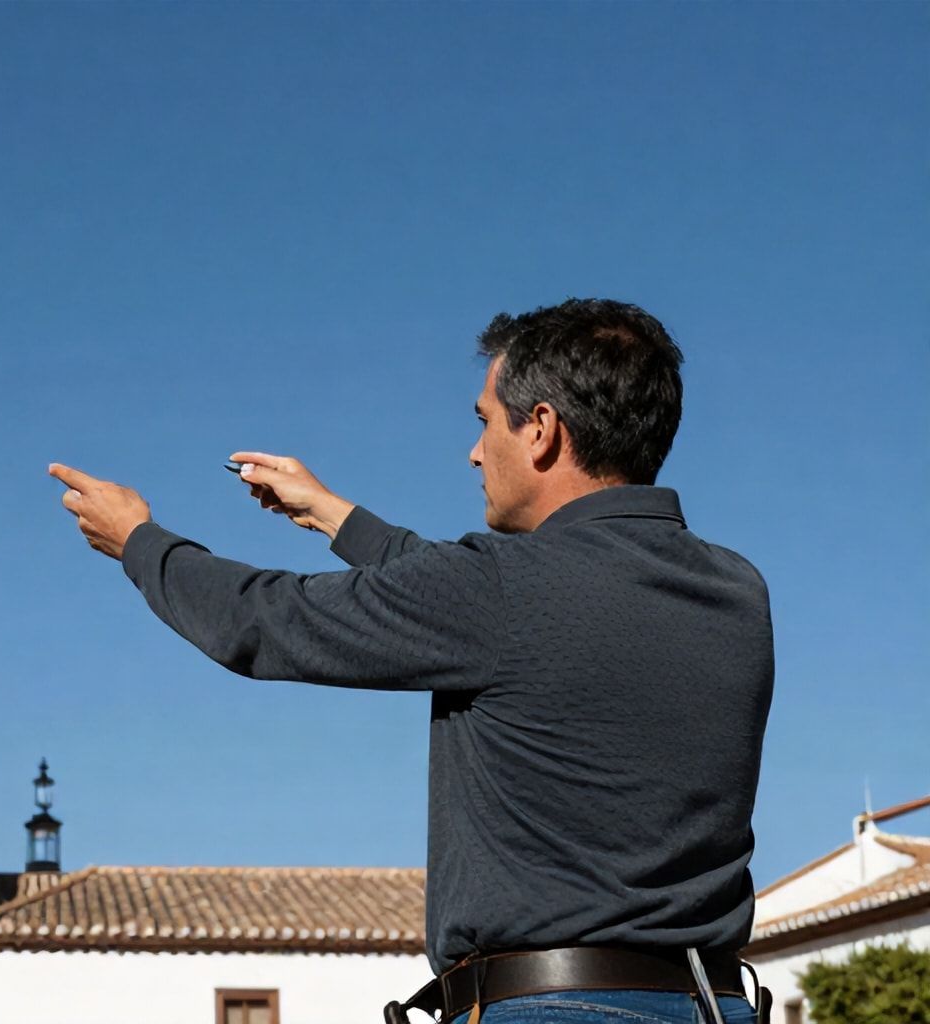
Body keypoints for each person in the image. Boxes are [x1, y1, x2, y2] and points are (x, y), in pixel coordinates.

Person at [50, 299, 772, 1024]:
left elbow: (259, 621)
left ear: (544, 430)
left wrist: (139, 542)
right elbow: (510, 609)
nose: (475, 451)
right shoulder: (736, 590)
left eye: (486, 421)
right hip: (713, 1005)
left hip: (552, 1008)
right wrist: (333, 515)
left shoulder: (500, 588)